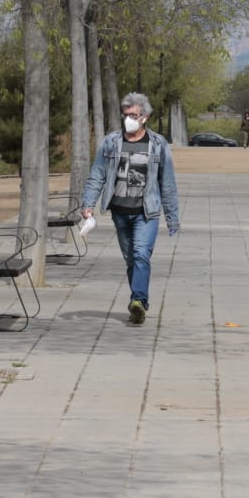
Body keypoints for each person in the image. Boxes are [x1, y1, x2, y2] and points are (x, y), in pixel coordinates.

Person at [80, 92, 180, 324]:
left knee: (140, 254)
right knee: (130, 259)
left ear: (144, 117)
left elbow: (168, 182)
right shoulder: (111, 142)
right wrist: (88, 205)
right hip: (120, 211)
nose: (128, 119)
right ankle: (139, 300)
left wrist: (172, 217)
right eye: (125, 115)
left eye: (133, 115)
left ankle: (138, 300)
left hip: (147, 212)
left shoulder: (157, 144)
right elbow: (97, 175)